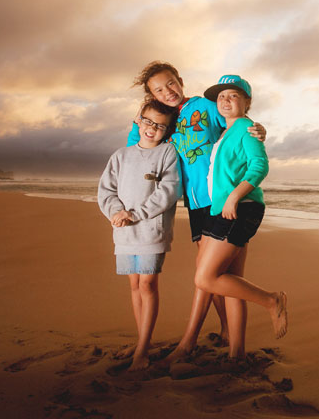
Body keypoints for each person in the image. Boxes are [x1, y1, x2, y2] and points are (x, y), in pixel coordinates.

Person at [126, 61, 266, 362]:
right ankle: (229, 334)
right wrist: (139, 123)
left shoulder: (204, 105)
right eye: (158, 90)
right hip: (192, 204)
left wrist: (257, 129)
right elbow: (136, 148)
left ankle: (189, 342)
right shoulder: (162, 120)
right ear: (152, 95)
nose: (168, 92)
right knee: (220, 274)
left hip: (217, 199)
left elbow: (236, 119)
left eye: (171, 83)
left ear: (179, 80)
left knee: (208, 273)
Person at [192, 75, 287, 358]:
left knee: (205, 279)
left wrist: (234, 196)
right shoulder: (227, 131)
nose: (225, 100)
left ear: (247, 102)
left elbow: (260, 166)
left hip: (240, 207)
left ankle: (272, 300)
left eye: (233, 95)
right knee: (233, 281)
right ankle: (237, 353)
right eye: (221, 96)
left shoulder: (246, 128)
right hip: (222, 209)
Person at [98, 99, 181, 371]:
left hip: (151, 232)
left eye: (160, 126)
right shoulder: (120, 156)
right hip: (124, 233)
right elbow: (106, 190)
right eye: (148, 121)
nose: (152, 128)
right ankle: (142, 341)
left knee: (147, 285)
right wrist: (117, 212)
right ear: (138, 121)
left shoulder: (167, 153)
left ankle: (142, 350)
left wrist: (136, 214)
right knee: (134, 286)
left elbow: (169, 191)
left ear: (167, 130)